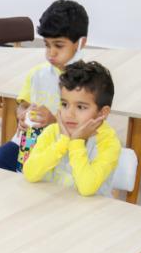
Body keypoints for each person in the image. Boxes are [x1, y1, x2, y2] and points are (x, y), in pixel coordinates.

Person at [0, 0, 88, 172]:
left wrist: (53, 120)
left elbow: (87, 127)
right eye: (47, 45)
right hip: (26, 144)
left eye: (59, 46)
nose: (51, 53)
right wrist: (22, 114)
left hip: (62, 151)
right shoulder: (38, 74)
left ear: (81, 43)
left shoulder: (89, 82)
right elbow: (22, 105)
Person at [22, 60, 121, 196]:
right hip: (52, 205)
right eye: (64, 104)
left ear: (102, 112)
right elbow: (30, 173)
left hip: (90, 213)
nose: (69, 114)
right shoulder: (53, 132)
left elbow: (87, 188)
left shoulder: (109, 143)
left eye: (81, 107)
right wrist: (63, 142)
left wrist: (76, 142)